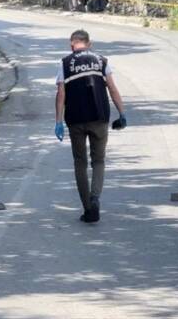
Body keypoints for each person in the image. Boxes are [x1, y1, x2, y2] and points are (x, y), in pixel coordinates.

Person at [54, 30, 127, 223]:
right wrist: (122, 113)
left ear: (72, 45)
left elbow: (61, 93)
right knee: (99, 161)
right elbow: (112, 88)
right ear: (89, 43)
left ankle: (88, 209)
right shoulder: (101, 61)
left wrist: (58, 121)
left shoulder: (64, 63)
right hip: (99, 117)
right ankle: (95, 198)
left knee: (80, 163)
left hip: (75, 119)